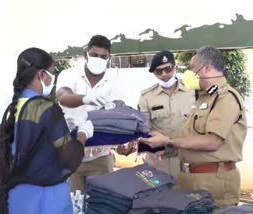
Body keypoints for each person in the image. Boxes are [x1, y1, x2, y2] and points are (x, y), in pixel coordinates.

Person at [138, 46, 247, 208]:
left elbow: (213, 142)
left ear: (207, 66)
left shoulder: (225, 98)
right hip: (189, 177)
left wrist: (168, 140)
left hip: (213, 181)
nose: (191, 73)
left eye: (193, 68)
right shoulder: (205, 97)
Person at [0, 47, 93, 214]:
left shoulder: (12, 109)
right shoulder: (46, 108)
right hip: (45, 199)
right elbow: (70, 159)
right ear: (41, 74)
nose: (53, 78)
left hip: (17, 198)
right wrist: (83, 134)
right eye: (52, 73)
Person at [56, 35, 123, 193]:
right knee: (71, 207)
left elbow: (119, 115)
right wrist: (86, 98)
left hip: (100, 157)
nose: (98, 59)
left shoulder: (114, 81)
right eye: (94, 55)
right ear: (86, 54)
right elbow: (63, 96)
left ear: (109, 58)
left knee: (102, 206)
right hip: (69, 156)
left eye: (103, 56)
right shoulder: (69, 74)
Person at [138, 50, 195, 178]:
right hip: (158, 161)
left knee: (187, 196)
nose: (164, 74)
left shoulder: (193, 92)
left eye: (168, 69)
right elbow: (142, 129)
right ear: (154, 73)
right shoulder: (146, 97)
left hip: (186, 160)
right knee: (157, 197)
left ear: (175, 67)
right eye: (159, 71)